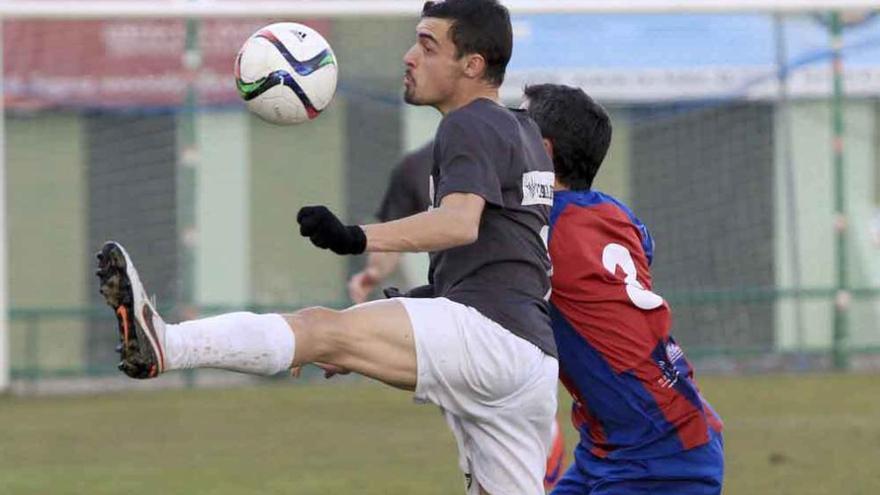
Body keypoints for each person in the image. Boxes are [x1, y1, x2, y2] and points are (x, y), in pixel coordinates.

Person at [95, 1, 558, 493]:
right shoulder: (525, 133)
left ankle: (166, 344)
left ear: (472, 65)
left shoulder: (470, 124)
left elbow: (459, 224)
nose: (409, 57)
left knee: (319, 327)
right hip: (528, 360)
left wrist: (354, 236)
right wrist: (376, 327)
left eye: (427, 46)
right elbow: (502, 260)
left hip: (491, 337)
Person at [521, 83, 725, 495]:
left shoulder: (540, 231)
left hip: (662, 455)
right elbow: (643, 249)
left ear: (543, 151)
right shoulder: (613, 211)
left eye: (517, 128)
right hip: (614, 446)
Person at [347, 142, 568, 491]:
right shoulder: (414, 168)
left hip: (510, 318)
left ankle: (542, 463)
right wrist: (374, 274)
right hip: (454, 314)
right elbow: (394, 232)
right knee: (476, 444)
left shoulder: (510, 150)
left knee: (513, 436)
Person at [348, 142, 432, 304]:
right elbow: (392, 237)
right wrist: (374, 271)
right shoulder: (416, 167)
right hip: (454, 294)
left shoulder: (493, 153)